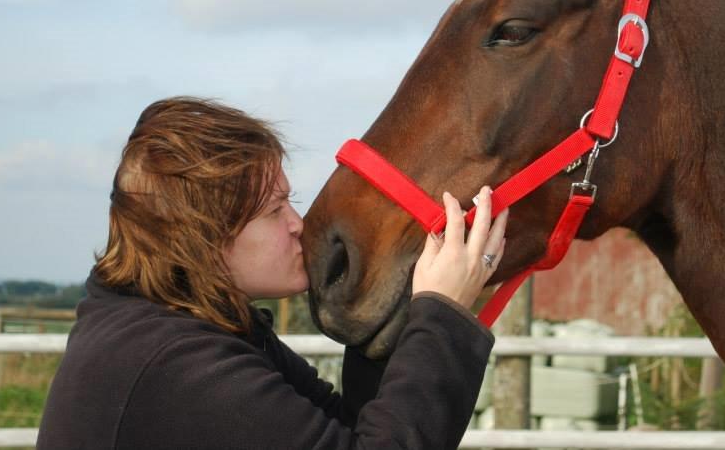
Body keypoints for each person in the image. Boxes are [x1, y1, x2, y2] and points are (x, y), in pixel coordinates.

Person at [36, 97, 508, 450]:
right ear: (203, 235)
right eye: (274, 209)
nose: (296, 225)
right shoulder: (177, 364)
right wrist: (442, 314)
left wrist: (386, 301)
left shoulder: (189, 330)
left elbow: (347, 431)